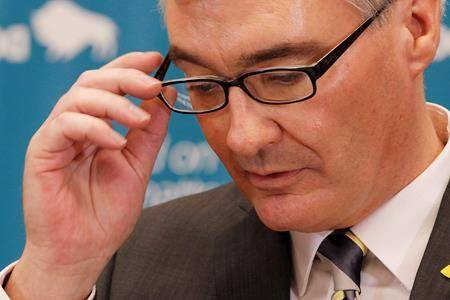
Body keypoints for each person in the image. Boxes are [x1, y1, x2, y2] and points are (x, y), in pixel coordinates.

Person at [1, 0, 449, 299]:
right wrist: (53, 277)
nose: (243, 138)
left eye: (285, 76)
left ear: (416, 29)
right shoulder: (135, 263)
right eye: (201, 84)